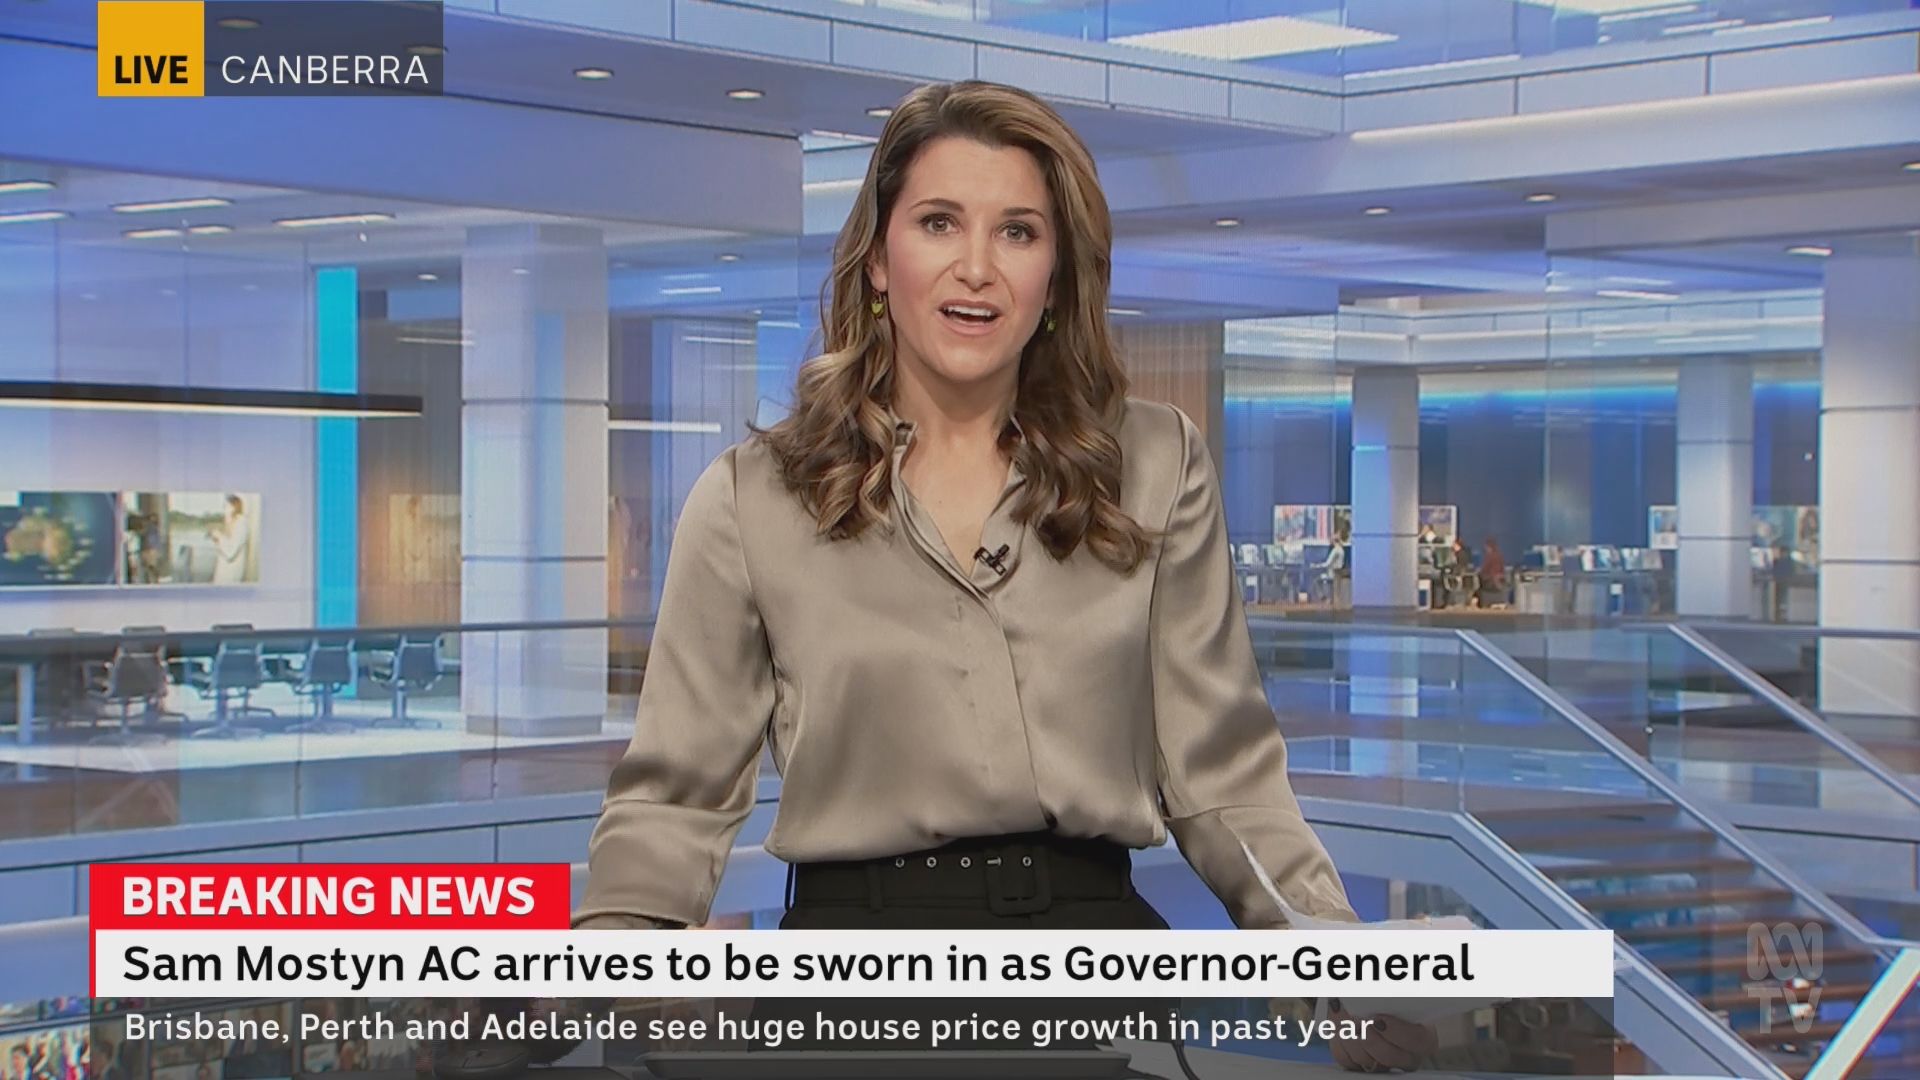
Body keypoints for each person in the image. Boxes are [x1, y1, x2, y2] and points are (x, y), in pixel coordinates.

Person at [571, 80, 1434, 1074]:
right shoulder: (754, 495)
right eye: (939, 223)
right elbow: (672, 802)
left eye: (1017, 232)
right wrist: (590, 984)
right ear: (879, 257)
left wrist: (1330, 971)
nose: (976, 268)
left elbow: (1224, 777)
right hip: (855, 996)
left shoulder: (1155, 465)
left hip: (1091, 987)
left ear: (1057, 274)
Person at [208, 495, 249, 584]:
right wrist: (217, 540)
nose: (223, 511)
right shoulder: (232, 523)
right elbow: (226, 544)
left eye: (226, 507)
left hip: (230, 576)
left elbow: (230, 553)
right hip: (224, 573)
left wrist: (219, 535)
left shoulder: (241, 525)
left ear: (233, 508)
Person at [1477, 536, 1506, 608]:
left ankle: (1480, 604)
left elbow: (1484, 569)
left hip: (1491, 580)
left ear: (1488, 547)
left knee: (1476, 584)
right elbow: (1502, 568)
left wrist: (1479, 573)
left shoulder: (1489, 556)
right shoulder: (1500, 555)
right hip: (1500, 580)